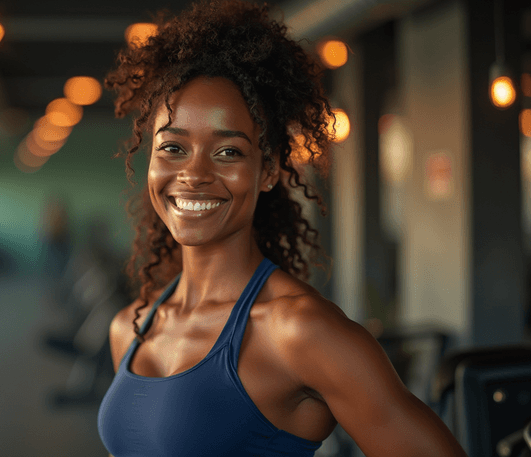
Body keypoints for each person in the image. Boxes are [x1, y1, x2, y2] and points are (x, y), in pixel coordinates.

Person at [96, 1, 468, 456]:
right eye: (172, 147)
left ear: (268, 169)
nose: (193, 173)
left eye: (228, 152)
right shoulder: (130, 329)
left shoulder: (299, 331)